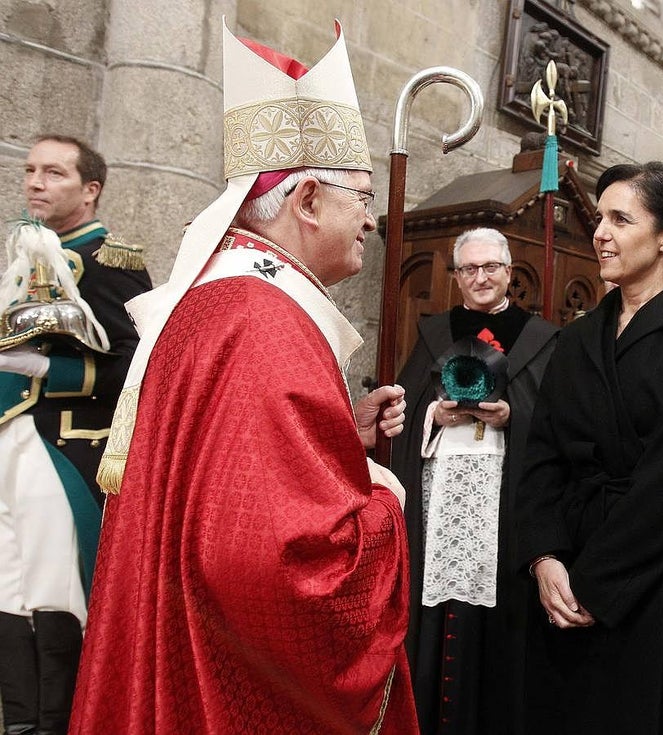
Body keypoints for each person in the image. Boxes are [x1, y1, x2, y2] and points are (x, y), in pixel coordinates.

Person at [67, 23, 418, 734]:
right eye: (362, 197)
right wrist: (383, 500)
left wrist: (340, 437)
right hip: (223, 683)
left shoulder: (223, 300)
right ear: (308, 199)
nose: (371, 222)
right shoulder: (265, 320)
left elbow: (221, 481)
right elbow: (274, 563)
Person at [515, 162, 663, 734]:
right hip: (565, 562)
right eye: (599, 217)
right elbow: (542, 458)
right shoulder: (577, 335)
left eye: (621, 218)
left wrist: (597, 584)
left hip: (651, 574)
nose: (600, 232)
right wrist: (544, 558)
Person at [0, 135, 152, 735]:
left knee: (52, 594)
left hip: (62, 447)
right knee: (8, 590)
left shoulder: (110, 259)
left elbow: (133, 367)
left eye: (55, 173)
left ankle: (57, 726)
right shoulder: (27, 252)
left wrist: (39, 368)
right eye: (31, 170)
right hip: (11, 444)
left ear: (90, 190)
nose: (37, 182)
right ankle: (18, 723)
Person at [392, 227, 557, 735]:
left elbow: (557, 422)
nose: (480, 278)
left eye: (491, 267)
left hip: (504, 505)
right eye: (469, 269)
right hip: (438, 500)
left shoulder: (540, 337)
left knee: (499, 616)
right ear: (456, 275)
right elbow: (407, 405)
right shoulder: (432, 332)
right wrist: (431, 417)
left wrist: (514, 417)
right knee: (434, 612)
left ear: (509, 272)